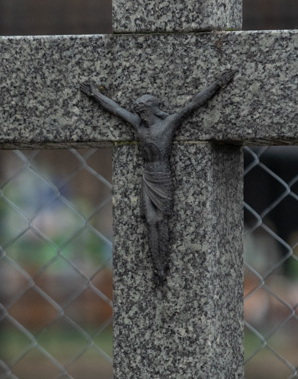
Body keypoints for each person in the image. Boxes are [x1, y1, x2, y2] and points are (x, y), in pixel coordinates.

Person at [80, 70, 234, 285]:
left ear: (152, 110)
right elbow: (116, 109)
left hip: (162, 175)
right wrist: (95, 94)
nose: (141, 116)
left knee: (161, 220)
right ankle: (158, 267)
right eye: (139, 112)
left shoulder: (168, 123)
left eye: (143, 111)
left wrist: (217, 84)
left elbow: (193, 104)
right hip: (148, 175)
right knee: (151, 220)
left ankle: (163, 263)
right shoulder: (138, 125)